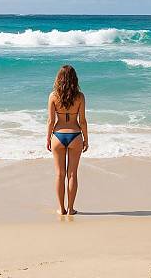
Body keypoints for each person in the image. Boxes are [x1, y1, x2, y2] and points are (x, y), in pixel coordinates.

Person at [46, 64, 88, 215]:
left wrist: (48, 138)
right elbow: (82, 121)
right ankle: (71, 209)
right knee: (72, 174)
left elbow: (50, 121)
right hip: (75, 135)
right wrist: (86, 139)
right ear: (74, 79)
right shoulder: (80, 96)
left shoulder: (53, 96)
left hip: (58, 135)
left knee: (59, 174)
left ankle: (61, 208)